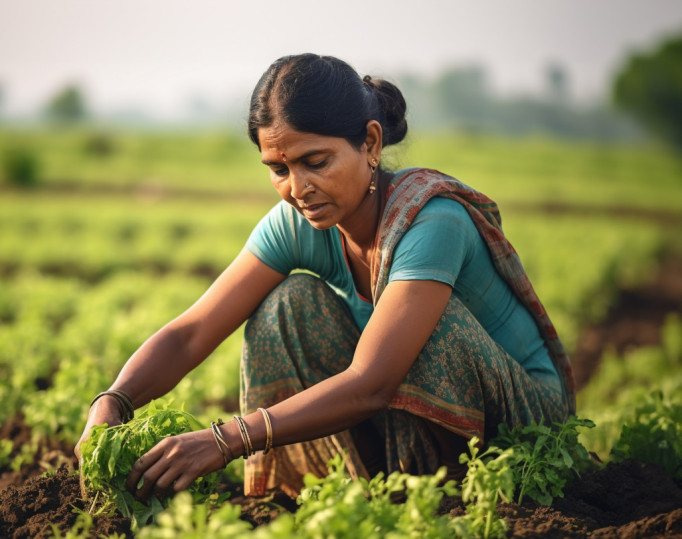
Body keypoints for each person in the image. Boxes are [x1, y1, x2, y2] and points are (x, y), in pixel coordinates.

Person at [74, 53, 575, 501]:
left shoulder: (432, 221)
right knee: (286, 305)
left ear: (370, 143)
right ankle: (369, 491)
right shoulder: (300, 220)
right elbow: (191, 333)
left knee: (428, 328)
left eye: (317, 162)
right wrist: (114, 401)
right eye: (278, 169)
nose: (298, 189)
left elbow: (372, 382)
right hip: (404, 400)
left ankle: (449, 498)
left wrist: (226, 439)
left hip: (524, 428)